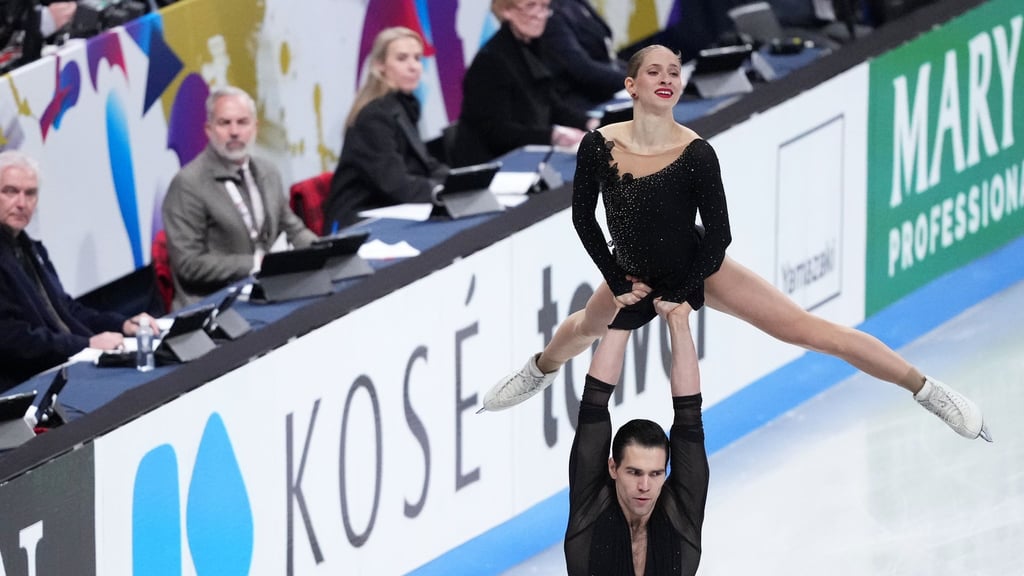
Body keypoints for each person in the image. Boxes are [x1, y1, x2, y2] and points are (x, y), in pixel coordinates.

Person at [481, 45, 993, 443]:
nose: (667, 80)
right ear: (631, 85)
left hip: (697, 264)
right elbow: (583, 218)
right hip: (630, 269)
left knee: (807, 330)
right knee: (582, 327)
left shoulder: (696, 152)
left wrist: (682, 289)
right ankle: (539, 371)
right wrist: (617, 281)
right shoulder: (600, 144)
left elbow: (720, 235)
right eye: (655, 72)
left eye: (674, 73)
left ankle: (926, 390)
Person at [567, 298, 707, 575]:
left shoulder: (681, 512)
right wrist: (624, 316)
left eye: (656, 474)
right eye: (634, 472)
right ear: (612, 468)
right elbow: (593, 404)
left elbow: (689, 414)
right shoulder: (592, 506)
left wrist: (678, 321)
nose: (645, 486)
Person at [0, 150, 157, 391]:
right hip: (26, 385)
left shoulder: (30, 248)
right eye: (10, 191)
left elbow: (66, 310)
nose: (22, 203)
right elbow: (12, 337)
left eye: (30, 193)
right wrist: (86, 344)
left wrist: (122, 324)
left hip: (66, 369)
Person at [162, 86, 318, 310]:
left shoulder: (268, 171)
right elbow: (189, 264)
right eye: (225, 123)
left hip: (267, 290)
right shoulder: (188, 184)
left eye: (242, 122)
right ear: (208, 130)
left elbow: (292, 228)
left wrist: (324, 251)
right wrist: (257, 264)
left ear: (255, 127)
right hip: (216, 304)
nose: (234, 132)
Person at [323, 26, 449, 231]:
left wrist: (456, 181)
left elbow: (422, 163)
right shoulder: (374, 117)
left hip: (391, 207)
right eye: (402, 59)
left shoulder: (404, 104)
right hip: (358, 221)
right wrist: (438, 190)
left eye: (417, 58)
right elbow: (394, 182)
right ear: (379, 65)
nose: (414, 66)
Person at [451, 0, 592, 167]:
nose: (540, 14)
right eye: (531, 6)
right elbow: (497, 132)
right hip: (494, 164)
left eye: (544, 6)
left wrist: (589, 123)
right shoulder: (489, 61)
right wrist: (553, 135)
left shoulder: (533, 46)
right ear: (506, 11)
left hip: (529, 155)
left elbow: (551, 104)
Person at [542, 0, 626, 112]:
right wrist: (634, 79)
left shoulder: (576, 3)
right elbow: (582, 68)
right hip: (584, 103)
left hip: (609, 91)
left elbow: (607, 56)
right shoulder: (550, 14)